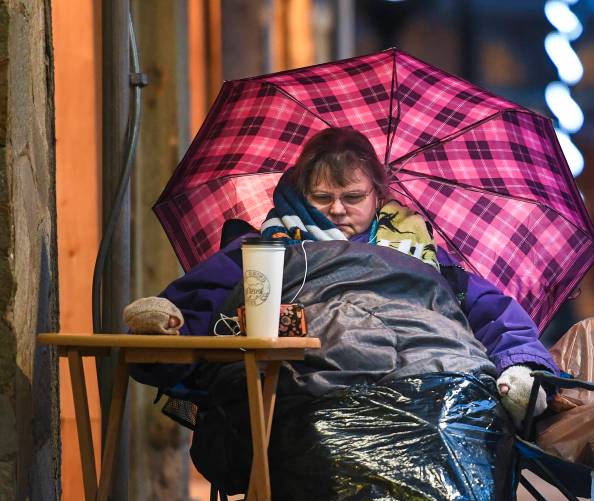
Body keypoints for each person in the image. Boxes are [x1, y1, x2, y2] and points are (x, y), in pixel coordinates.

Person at [125, 127, 551, 424]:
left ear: (379, 195)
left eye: (353, 197)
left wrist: (519, 368)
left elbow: (493, 312)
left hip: (420, 390)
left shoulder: (424, 255)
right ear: (298, 193)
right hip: (307, 399)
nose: (338, 209)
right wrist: (170, 328)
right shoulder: (265, 250)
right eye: (321, 198)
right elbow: (203, 300)